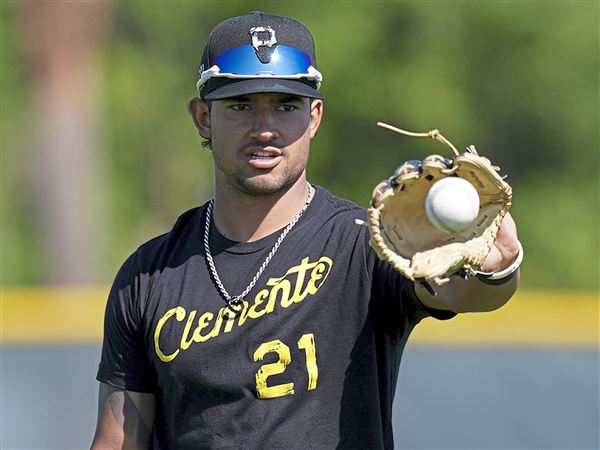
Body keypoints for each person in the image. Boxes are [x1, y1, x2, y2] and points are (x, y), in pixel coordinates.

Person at [91, 11, 521, 450]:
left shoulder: (365, 245)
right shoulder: (148, 276)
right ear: (203, 117)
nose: (265, 129)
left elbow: (462, 294)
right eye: (241, 106)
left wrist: (498, 268)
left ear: (314, 116)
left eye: (285, 105)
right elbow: (117, 441)